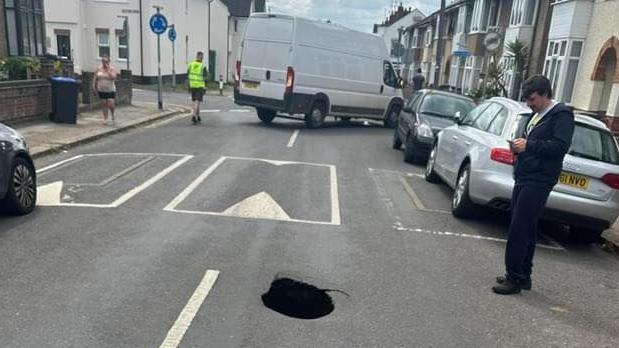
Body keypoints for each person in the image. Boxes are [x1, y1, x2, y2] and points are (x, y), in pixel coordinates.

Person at [492, 75, 574, 295]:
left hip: (539, 178)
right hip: (526, 174)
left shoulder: (562, 116)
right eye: (527, 99)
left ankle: (513, 278)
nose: (529, 103)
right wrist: (519, 147)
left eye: (533, 98)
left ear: (546, 94)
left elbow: (559, 147)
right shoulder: (539, 114)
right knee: (526, 226)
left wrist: (529, 145)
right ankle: (523, 275)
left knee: (519, 227)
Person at [93, 55, 118, 126]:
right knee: (103, 103)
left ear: (109, 62)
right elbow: (95, 78)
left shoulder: (112, 69)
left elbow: (113, 77)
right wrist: (93, 86)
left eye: (106, 61)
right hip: (101, 89)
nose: (105, 63)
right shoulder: (98, 68)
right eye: (103, 61)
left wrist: (108, 71)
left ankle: (113, 115)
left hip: (110, 89)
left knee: (111, 103)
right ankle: (105, 118)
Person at [187, 51, 208, 124]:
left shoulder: (191, 65)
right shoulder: (203, 66)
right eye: (202, 57)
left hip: (192, 85)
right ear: (201, 57)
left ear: (196, 56)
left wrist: (188, 86)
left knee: (195, 102)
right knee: (197, 102)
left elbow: (188, 75)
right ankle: (193, 116)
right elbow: (205, 77)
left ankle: (198, 116)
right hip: (199, 86)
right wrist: (205, 86)